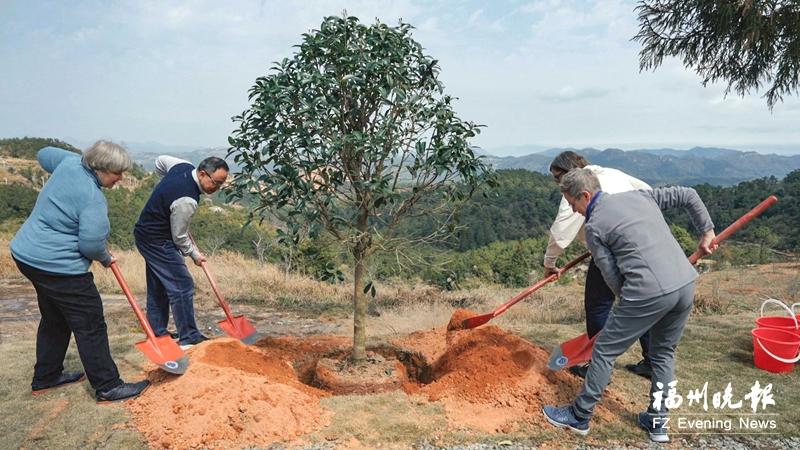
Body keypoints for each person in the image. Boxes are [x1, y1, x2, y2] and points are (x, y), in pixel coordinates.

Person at [543, 168, 716, 443]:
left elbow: (610, 274)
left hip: (647, 292)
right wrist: (707, 231)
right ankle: (658, 423)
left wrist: (629, 304)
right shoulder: (640, 197)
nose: (574, 211)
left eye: (573, 204)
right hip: (685, 284)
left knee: (603, 350)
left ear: (585, 196)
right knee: (662, 354)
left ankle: (579, 416)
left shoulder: (595, 226)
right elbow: (689, 194)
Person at [10, 141, 151, 402]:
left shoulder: (69, 163)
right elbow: (91, 245)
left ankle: (47, 376)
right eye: (116, 173)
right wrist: (106, 257)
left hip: (26, 254)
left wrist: (74, 157)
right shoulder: (92, 198)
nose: (120, 179)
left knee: (55, 318)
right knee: (90, 324)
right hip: (59, 268)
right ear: (100, 168)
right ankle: (108, 386)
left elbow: (43, 154)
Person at [545, 151, 654, 379]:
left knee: (598, 306)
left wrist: (550, 263)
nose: (558, 183)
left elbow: (560, 233)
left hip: (610, 251)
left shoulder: (578, 188)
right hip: (641, 245)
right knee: (640, 302)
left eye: (558, 177)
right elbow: (647, 191)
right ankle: (652, 361)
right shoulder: (611, 173)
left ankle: (598, 365)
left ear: (571, 172)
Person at [133, 155, 229, 349]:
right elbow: (180, 237)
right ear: (203, 174)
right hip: (157, 240)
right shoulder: (187, 200)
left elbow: (160, 161)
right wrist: (194, 255)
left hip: (144, 233)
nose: (217, 188)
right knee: (182, 285)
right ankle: (189, 337)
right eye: (216, 183)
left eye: (221, 184)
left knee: (159, 284)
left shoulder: (182, 166)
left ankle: (157, 333)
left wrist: (165, 187)